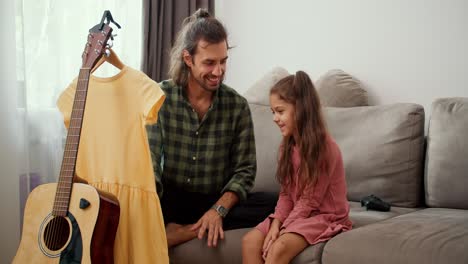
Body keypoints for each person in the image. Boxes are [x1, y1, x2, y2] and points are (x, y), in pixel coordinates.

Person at [147, 9, 277, 249]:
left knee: (276, 204)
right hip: (171, 198)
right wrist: (149, 213)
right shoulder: (159, 97)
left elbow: (245, 172)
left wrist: (218, 210)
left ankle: (182, 232)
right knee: (130, 209)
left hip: (216, 199)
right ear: (188, 59)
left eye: (223, 61)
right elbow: (150, 164)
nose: (219, 71)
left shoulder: (237, 106)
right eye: (209, 63)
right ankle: (173, 227)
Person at [241, 71, 353, 263]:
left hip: (324, 215)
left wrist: (282, 231)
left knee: (278, 248)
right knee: (249, 242)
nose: (275, 118)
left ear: (300, 109)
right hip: (298, 213)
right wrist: (276, 224)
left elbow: (310, 201)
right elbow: (286, 195)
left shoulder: (325, 148)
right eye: (273, 112)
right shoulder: (287, 146)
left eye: (280, 111)